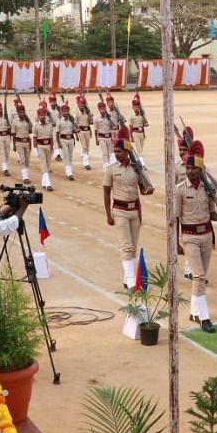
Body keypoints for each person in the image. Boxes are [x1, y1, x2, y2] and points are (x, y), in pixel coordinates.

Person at [176, 141, 217, 333]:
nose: (189, 171)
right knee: (198, 276)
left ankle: (194, 311)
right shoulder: (180, 190)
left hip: (207, 235)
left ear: (200, 170)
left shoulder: (208, 191)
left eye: (193, 168)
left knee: (200, 276)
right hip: (189, 236)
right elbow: (175, 218)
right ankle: (205, 317)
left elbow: (211, 214)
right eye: (187, 168)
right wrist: (176, 242)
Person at [104, 129, 149, 289]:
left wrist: (147, 189)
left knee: (133, 246)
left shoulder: (136, 168)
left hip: (134, 211)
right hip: (120, 210)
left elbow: (144, 189)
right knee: (127, 246)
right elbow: (106, 192)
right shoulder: (111, 169)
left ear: (127, 152)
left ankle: (127, 277)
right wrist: (109, 215)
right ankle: (131, 280)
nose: (116, 154)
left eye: (119, 151)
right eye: (115, 151)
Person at [32, 105, 57, 191]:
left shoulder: (49, 125)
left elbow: (51, 138)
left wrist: (52, 147)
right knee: (44, 164)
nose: (43, 116)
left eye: (44, 115)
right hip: (40, 146)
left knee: (48, 165)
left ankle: (43, 182)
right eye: (41, 115)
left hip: (48, 146)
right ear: (38, 116)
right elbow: (34, 138)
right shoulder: (35, 126)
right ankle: (48, 184)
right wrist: (35, 149)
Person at [11, 101, 33, 183]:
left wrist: (28, 120)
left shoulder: (27, 121)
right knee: (22, 160)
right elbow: (13, 134)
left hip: (27, 142)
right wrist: (14, 145)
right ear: (17, 112)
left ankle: (27, 174)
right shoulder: (15, 121)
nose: (22, 113)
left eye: (23, 112)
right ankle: (25, 177)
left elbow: (31, 131)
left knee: (27, 160)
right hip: (19, 142)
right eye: (20, 112)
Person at [57, 102, 78, 180]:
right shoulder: (59, 121)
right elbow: (57, 133)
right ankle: (69, 173)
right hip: (63, 140)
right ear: (61, 112)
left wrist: (75, 124)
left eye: (67, 111)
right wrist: (59, 143)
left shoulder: (71, 120)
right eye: (64, 111)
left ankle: (68, 170)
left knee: (70, 156)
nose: (66, 113)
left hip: (71, 139)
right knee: (66, 156)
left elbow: (75, 130)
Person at [75, 93, 94, 170]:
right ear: (78, 105)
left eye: (83, 104)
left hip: (87, 131)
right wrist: (76, 134)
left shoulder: (87, 113)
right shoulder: (77, 114)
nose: (82, 106)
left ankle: (85, 157)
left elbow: (91, 122)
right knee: (84, 146)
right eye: (80, 105)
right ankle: (86, 163)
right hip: (80, 131)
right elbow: (75, 125)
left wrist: (89, 114)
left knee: (87, 147)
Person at [94, 101, 116, 166]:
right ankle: (105, 166)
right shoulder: (96, 118)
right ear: (99, 109)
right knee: (105, 152)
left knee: (110, 152)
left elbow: (113, 126)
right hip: (101, 137)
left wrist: (109, 119)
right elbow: (96, 130)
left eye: (104, 108)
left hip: (109, 137)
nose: (103, 110)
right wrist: (96, 140)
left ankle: (109, 165)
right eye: (101, 109)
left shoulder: (109, 117)